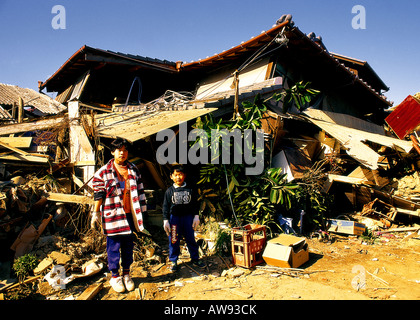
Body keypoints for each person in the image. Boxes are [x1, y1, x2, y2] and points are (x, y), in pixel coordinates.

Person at [91, 138, 147, 293]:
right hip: (112, 215)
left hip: (130, 215)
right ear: (112, 152)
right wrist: (95, 212)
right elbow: (98, 194)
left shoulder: (134, 170)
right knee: (114, 247)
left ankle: (127, 274)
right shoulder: (103, 172)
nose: (122, 153)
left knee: (128, 246)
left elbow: (141, 192)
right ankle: (115, 276)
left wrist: (143, 211)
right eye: (119, 150)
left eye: (125, 150)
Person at [162, 165, 205, 272]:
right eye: (176, 175)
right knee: (174, 239)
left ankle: (195, 258)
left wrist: (196, 216)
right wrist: (165, 220)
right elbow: (166, 206)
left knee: (190, 238)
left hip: (188, 218)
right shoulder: (169, 191)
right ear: (171, 176)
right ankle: (173, 261)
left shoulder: (190, 189)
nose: (178, 177)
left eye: (180, 174)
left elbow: (195, 204)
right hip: (174, 219)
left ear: (184, 176)